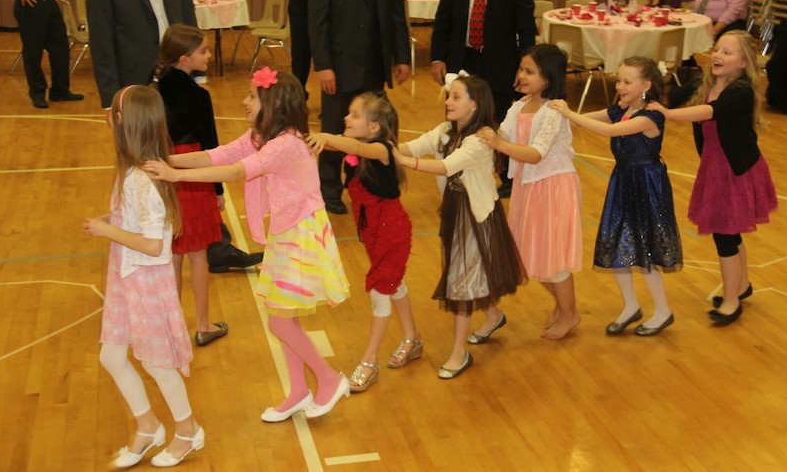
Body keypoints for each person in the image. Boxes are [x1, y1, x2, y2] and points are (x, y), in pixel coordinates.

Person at [145, 68, 351, 421]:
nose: (244, 101)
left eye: (252, 96)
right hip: (288, 233)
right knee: (281, 316)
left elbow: (235, 172)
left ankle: (330, 378)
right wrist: (168, 160)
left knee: (280, 322)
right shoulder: (262, 136)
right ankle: (299, 391)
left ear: (271, 103)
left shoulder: (285, 144)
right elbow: (219, 155)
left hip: (302, 235)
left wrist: (176, 175)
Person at [88, 0, 259, 275]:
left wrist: (196, 71)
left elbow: (184, 11)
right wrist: (109, 100)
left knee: (191, 153)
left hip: (178, 74)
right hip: (136, 86)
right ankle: (148, 240)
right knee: (147, 164)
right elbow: (102, 38)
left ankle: (212, 244)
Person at [84, 85, 204, 469]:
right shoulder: (132, 171)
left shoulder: (140, 179)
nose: (108, 115)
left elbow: (155, 245)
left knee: (156, 363)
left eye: (113, 110)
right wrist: (114, 221)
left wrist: (108, 231)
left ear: (123, 122)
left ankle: (187, 429)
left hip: (145, 282)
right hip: (126, 278)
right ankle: (148, 425)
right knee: (112, 355)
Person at [394, 74, 526, 379]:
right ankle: (493, 315)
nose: (448, 102)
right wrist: (384, 147)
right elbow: (413, 146)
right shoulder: (445, 131)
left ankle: (458, 354)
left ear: (474, 105)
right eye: (448, 96)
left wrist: (402, 161)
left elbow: (445, 166)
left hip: (477, 216)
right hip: (456, 211)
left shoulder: (481, 139)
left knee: (461, 280)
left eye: (455, 97)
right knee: (468, 273)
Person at [648, 31, 777, 326]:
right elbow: (672, 96)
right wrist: (645, 95)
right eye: (717, 49)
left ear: (743, 62)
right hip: (715, 168)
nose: (718, 55)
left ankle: (732, 301)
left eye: (728, 52)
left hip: (735, 171)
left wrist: (667, 114)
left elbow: (710, 112)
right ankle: (741, 286)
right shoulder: (705, 83)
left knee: (726, 235)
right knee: (731, 231)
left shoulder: (741, 91)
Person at [550, 57, 682, 337]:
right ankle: (630, 306)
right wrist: (565, 116)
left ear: (646, 85)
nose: (619, 86)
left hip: (646, 184)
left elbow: (608, 130)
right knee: (617, 241)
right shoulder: (622, 109)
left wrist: (569, 113)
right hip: (623, 181)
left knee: (644, 248)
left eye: (626, 81)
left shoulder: (650, 116)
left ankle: (662, 311)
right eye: (619, 80)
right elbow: (586, 122)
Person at [306, 93, 422, 393]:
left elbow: (354, 147)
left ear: (374, 128)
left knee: (380, 289)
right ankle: (412, 338)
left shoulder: (381, 149)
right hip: (371, 228)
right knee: (394, 283)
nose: (347, 118)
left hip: (391, 229)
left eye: (355, 115)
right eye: (349, 113)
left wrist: (326, 136)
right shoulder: (357, 147)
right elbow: (345, 147)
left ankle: (369, 362)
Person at [308, 0, 412, 215]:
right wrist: (324, 65)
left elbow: (396, 14)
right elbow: (318, 21)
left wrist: (402, 57)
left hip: (375, 66)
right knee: (335, 129)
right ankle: (328, 191)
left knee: (368, 132)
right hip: (338, 68)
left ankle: (360, 186)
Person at [476, 45, 582, 340]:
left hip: (552, 186)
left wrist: (497, 143)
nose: (521, 75)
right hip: (528, 185)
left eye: (529, 71)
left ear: (548, 77)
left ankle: (569, 311)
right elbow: (505, 136)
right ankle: (564, 306)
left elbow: (535, 153)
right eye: (521, 69)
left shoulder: (554, 110)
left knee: (553, 254)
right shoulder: (519, 106)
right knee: (527, 253)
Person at [432, 0, 536, 197]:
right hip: (463, 61)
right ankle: (460, 172)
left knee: (501, 119)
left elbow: (526, 26)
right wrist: (437, 57)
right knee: (462, 118)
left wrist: (526, 68)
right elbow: (443, 20)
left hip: (502, 62)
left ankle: (506, 177)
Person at [153, 24, 233, 347]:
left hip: (165, 169)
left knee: (173, 253)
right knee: (198, 254)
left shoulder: (154, 90)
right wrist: (217, 190)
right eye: (204, 51)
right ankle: (202, 324)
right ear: (185, 59)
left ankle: (172, 328)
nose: (209, 55)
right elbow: (211, 147)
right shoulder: (199, 96)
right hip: (194, 171)